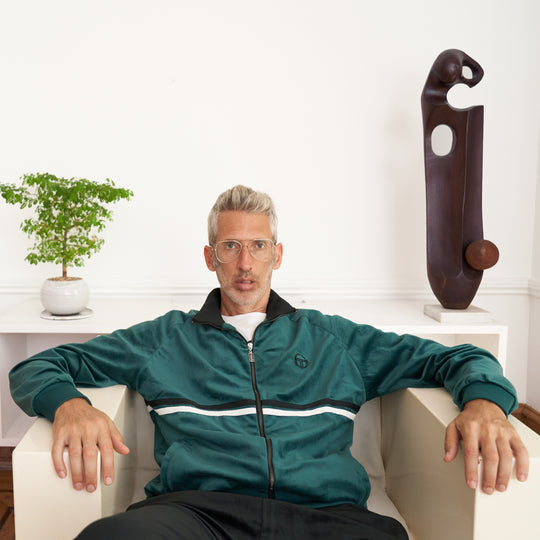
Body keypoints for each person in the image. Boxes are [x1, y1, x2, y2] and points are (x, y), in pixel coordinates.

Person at [9, 185, 529, 540]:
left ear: (277, 255)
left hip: (325, 517)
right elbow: (36, 368)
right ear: (210, 257)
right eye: (230, 246)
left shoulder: (333, 339)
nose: (245, 263)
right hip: (195, 513)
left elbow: (459, 358)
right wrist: (70, 406)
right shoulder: (165, 338)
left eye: (258, 246)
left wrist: (485, 402)